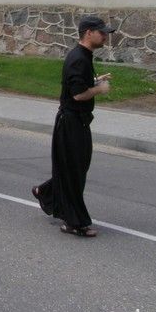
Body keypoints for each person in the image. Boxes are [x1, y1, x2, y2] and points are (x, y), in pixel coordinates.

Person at [32, 16, 115, 238]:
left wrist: (94, 81)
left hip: (76, 122)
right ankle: (74, 222)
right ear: (88, 33)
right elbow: (78, 94)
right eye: (102, 32)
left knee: (73, 169)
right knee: (74, 172)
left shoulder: (83, 57)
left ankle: (46, 192)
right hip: (71, 123)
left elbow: (77, 84)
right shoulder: (79, 58)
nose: (105, 36)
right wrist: (100, 89)